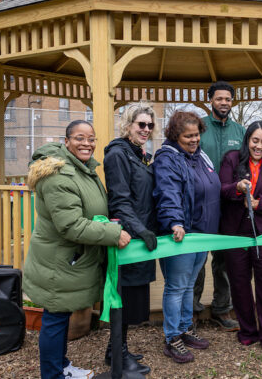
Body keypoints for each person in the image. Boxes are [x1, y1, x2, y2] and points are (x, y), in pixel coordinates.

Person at [23, 120, 131, 379]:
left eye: (91, 139)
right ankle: (53, 374)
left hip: (68, 260)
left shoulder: (81, 169)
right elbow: (70, 225)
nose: (87, 144)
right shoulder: (59, 175)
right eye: (80, 138)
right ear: (67, 141)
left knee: (59, 317)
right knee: (55, 320)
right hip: (59, 261)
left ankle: (61, 367)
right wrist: (113, 234)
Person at [153, 111, 220, 363]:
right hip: (182, 233)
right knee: (176, 286)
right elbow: (167, 190)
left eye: (196, 135)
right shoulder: (167, 158)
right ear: (175, 136)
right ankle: (172, 338)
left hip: (202, 232)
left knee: (190, 284)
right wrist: (174, 221)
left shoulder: (199, 155)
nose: (194, 140)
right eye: (187, 136)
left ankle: (185, 328)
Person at [218, 121, 262, 353]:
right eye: (255, 140)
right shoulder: (232, 159)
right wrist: (238, 187)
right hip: (235, 232)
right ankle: (247, 331)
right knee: (239, 283)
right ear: (247, 140)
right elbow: (222, 189)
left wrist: (259, 204)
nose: (259, 146)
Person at [103, 103, 159, 375]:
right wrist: (141, 230)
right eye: (141, 124)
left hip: (140, 236)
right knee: (122, 298)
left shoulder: (140, 155)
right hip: (127, 239)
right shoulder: (117, 155)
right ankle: (117, 353)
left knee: (132, 299)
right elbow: (120, 202)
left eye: (150, 125)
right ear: (128, 125)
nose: (146, 129)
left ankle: (118, 348)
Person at [194, 80, 243, 331]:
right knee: (197, 258)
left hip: (231, 205)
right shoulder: (198, 128)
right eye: (219, 98)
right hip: (202, 204)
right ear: (210, 99)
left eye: (228, 99)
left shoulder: (240, 132)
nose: (224, 103)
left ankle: (221, 309)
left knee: (224, 260)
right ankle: (191, 310)